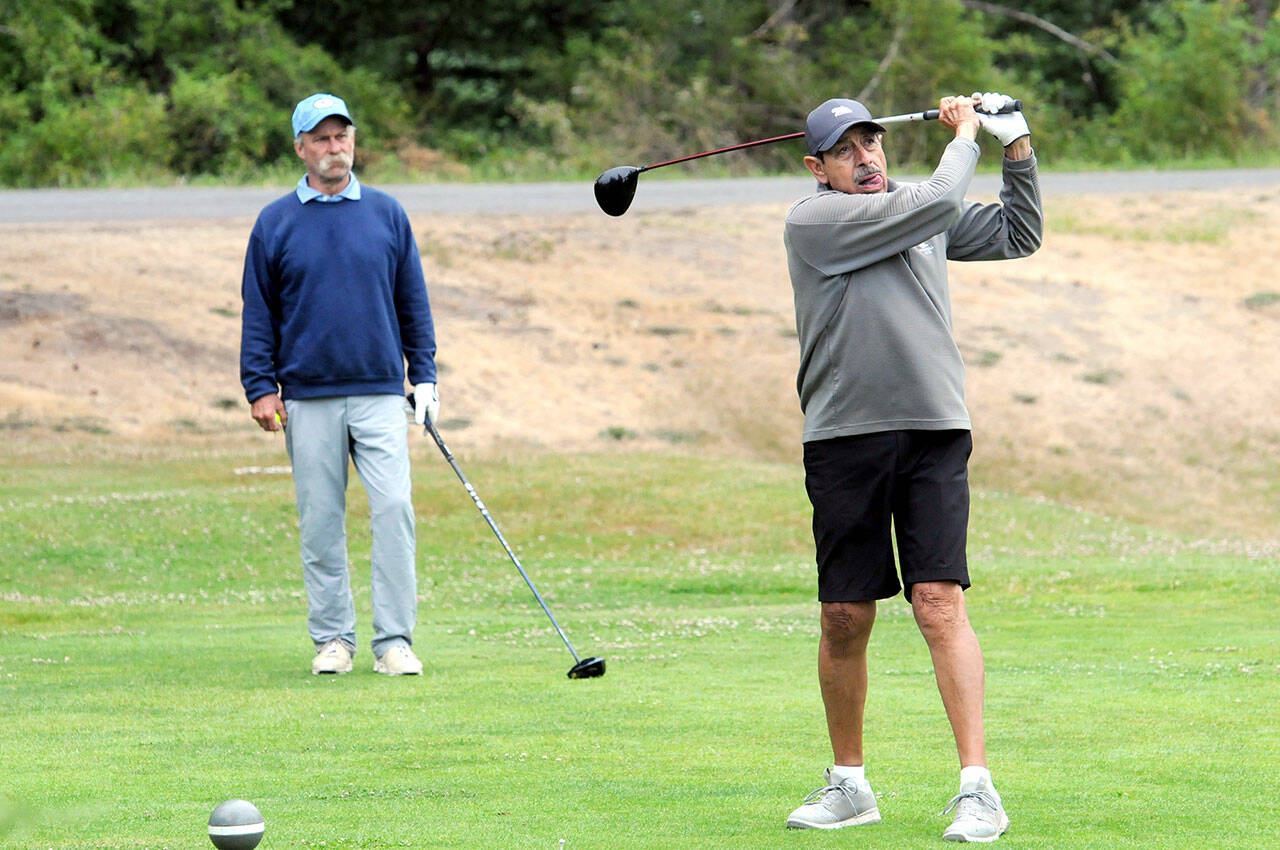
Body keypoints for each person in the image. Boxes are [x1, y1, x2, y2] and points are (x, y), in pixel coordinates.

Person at [781, 92, 1042, 842]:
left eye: (872, 144)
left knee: (938, 601)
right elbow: (938, 200)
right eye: (846, 151)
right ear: (817, 167)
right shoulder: (814, 221)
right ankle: (850, 784)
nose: (866, 159)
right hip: (843, 433)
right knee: (844, 614)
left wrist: (1016, 146)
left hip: (932, 427)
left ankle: (977, 789)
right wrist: (966, 136)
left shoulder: (920, 209)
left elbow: (1019, 232)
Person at [240, 93, 440, 677]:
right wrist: (260, 385)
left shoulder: (386, 213)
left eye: (342, 136)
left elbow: (413, 302)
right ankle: (333, 639)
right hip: (306, 395)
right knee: (322, 521)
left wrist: (423, 374)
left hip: (380, 390)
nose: (335, 148)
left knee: (395, 509)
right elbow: (259, 312)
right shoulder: (275, 222)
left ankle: (394, 642)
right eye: (322, 139)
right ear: (301, 148)